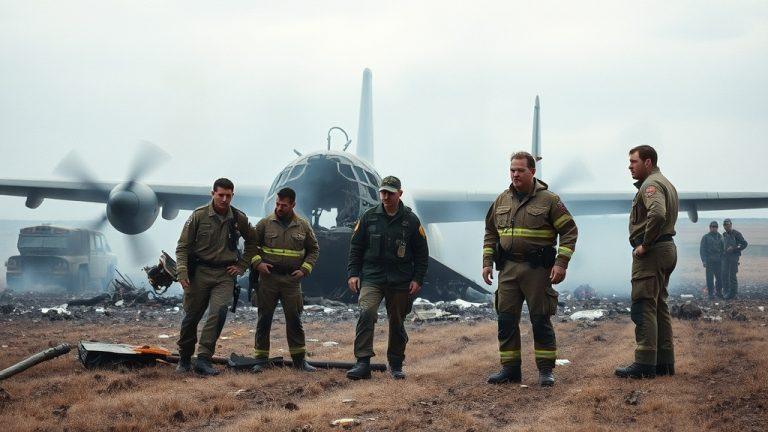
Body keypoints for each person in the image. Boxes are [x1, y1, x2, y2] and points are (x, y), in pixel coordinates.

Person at [482, 151, 578, 387]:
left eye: (520, 170)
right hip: (507, 269)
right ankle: (510, 370)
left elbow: (569, 232)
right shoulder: (501, 200)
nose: (515, 174)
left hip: (537, 270)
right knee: (505, 320)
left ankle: (546, 370)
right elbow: (490, 232)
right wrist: (486, 262)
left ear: (532, 172)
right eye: (512, 170)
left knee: (540, 319)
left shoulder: (550, 201)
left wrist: (561, 263)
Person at [345, 176, 429, 380]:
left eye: (390, 193)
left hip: (400, 280)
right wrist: (353, 273)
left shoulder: (411, 221)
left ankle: (396, 364)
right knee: (366, 312)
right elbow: (356, 247)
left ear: (400, 193)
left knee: (397, 321)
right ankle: (363, 362)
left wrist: (417, 279)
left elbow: (421, 253)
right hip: (373, 277)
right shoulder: (369, 217)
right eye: (383, 192)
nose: (385, 196)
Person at [175, 178, 257, 375]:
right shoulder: (198, 216)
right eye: (220, 195)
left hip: (224, 274)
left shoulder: (238, 218)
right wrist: (182, 271)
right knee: (190, 318)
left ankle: (203, 359)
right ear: (212, 193)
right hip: (199, 273)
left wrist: (241, 266)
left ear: (232, 196)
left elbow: (253, 242)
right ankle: (185, 358)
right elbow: (182, 247)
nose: (224, 199)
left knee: (218, 312)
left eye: (228, 195)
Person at [616, 145, 678, 379]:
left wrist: (645, 244)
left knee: (644, 305)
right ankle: (664, 362)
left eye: (634, 162)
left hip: (652, 253)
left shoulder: (650, 186)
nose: (630, 166)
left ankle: (644, 362)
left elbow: (658, 213)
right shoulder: (666, 183)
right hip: (666, 249)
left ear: (648, 162)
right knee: (659, 304)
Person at [249, 187, 320, 373]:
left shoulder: (303, 226)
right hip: (268, 279)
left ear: (293, 205)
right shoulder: (264, 224)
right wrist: (258, 264)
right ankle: (260, 360)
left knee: (294, 319)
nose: (280, 208)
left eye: (284, 205)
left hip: (291, 280)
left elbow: (314, 249)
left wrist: (305, 269)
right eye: (278, 204)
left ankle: (299, 361)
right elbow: (251, 246)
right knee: (264, 319)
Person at [722, 218, 748, 299]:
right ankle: (726, 292)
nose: (727, 227)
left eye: (728, 225)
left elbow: (744, 244)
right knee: (725, 275)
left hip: (734, 257)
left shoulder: (736, 234)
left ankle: (733, 294)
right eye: (725, 225)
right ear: (724, 226)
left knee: (732, 275)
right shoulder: (724, 235)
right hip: (725, 258)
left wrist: (734, 248)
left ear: (731, 225)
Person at [700, 221, 724, 300]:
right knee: (709, 279)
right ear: (710, 227)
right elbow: (702, 250)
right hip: (709, 261)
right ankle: (711, 294)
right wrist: (704, 261)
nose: (714, 228)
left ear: (717, 228)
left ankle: (719, 292)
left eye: (715, 227)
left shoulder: (720, 237)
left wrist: (723, 259)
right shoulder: (705, 237)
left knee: (720, 278)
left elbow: (723, 249)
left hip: (719, 261)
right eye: (712, 227)